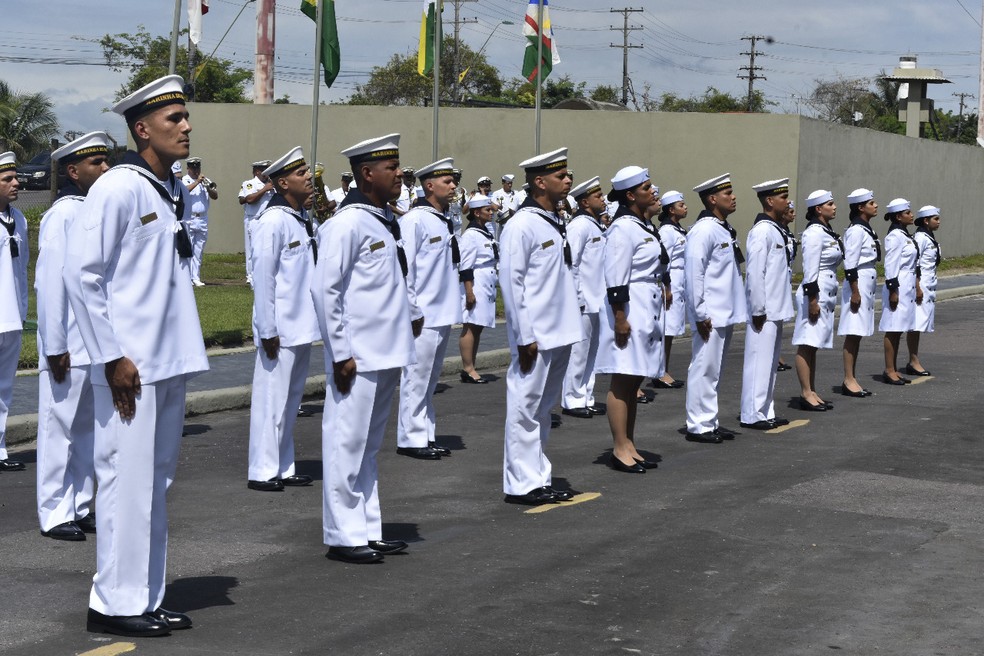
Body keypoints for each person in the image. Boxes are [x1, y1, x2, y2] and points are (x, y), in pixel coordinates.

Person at [64, 74, 209, 637]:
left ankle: (144, 595)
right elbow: (84, 275)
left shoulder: (160, 187)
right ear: (143, 128)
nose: (187, 126)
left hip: (164, 362)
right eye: (175, 119)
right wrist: (110, 356)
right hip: (130, 367)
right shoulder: (119, 187)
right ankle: (113, 601)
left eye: (186, 116)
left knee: (153, 483)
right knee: (125, 480)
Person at [312, 133, 422, 564]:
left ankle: (366, 528)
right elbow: (326, 291)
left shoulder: (382, 219)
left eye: (397, 165)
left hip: (386, 351)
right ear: (366, 174)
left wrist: (411, 311)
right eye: (390, 167)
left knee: (368, 447)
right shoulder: (346, 223)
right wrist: (340, 353)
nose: (398, 173)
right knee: (346, 442)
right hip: (357, 355)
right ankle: (344, 535)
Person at [34, 132, 110, 541]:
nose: (104, 169)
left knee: (86, 430)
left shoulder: (94, 209)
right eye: (95, 164)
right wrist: (54, 344)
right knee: (57, 426)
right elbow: (51, 284)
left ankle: (80, 505)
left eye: (105, 161)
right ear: (72, 171)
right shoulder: (63, 213)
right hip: (69, 343)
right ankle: (54, 510)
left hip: (94, 342)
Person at [499, 147, 581, 505]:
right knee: (525, 407)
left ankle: (537, 476)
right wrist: (524, 335)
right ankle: (521, 482)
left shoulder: (554, 219)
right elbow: (512, 282)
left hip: (560, 329)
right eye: (560, 176)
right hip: (537, 333)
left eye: (567, 175)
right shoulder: (521, 225)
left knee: (543, 410)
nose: (568, 180)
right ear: (539, 182)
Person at [246, 147, 320, 492]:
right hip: (280, 327)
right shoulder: (271, 221)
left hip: (301, 324)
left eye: (307, 171)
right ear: (281, 182)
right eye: (301, 173)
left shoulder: (299, 218)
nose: (309, 177)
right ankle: (262, 469)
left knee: (290, 401)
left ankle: (283, 465)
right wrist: (267, 327)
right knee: (271, 400)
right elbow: (263, 278)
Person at [594, 167, 669, 473]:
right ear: (630, 195)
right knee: (622, 377)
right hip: (628, 308)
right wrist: (620, 317)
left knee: (634, 377)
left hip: (644, 306)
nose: (654, 192)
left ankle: (630, 443)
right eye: (647, 187)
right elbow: (615, 277)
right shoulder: (623, 228)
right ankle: (619, 447)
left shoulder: (642, 225)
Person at [396, 157, 462, 460]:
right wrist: (412, 311)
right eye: (446, 181)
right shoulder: (415, 220)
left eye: (453, 181)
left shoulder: (441, 218)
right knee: (415, 378)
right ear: (429, 185)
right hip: (423, 314)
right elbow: (404, 269)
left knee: (429, 380)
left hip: (442, 310)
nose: (453, 186)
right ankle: (410, 438)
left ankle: (424, 434)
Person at [683, 174, 746, 444]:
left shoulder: (722, 228)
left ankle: (709, 420)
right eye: (727, 193)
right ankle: (698, 424)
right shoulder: (704, 230)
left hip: (724, 311)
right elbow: (694, 273)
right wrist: (699, 313)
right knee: (704, 367)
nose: (733, 197)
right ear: (712, 199)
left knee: (714, 369)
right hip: (710, 313)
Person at [739, 179, 795, 430]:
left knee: (769, 365)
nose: (787, 202)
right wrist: (758, 309)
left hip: (775, 307)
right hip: (765, 309)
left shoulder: (775, 229)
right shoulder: (762, 230)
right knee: (759, 362)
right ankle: (752, 413)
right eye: (783, 197)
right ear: (770, 201)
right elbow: (755, 273)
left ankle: (764, 410)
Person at [791, 190, 844, 411]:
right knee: (807, 342)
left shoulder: (825, 231)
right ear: (818, 209)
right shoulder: (814, 233)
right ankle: (805, 393)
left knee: (813, 345)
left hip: (825, 289)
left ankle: (811, 390)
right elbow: (810, 270)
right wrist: (813, 299)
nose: (834, 207)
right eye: (830, 204)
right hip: (816, 292)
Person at [561, 176, 608, 419]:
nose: (602, 199)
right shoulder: (579, 225)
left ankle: (586, 395)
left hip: (597, 298)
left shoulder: (594, 225)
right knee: (579, 352)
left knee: (592, 351)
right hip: (584, 299)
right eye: (598, 196)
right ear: (585, 201)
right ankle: (572, 398)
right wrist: (576, 298)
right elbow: (572, 264)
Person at [837, 188, 880, 397]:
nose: (876, 205)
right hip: (858, 284)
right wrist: (855, 291)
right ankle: (848, 379)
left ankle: (852, 377)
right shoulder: (856, 231)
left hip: (866, 282)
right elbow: (850, 264)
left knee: (858, 333)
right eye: (871, 203)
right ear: (860, 207)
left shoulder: (865, 229)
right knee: (853, 332)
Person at [0, 151, 27, 473]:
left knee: (4, 387)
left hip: (11, 318)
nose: (15, 183)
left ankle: (1, 447)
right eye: (7, 179)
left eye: (15, 178)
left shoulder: (18, 219)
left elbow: (22, 270)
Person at [879, 198, 922, 385]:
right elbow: (890, 265)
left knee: (899, 329)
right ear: (898, 216)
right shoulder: (895, 236)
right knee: (893, 329)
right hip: (898, 285)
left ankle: (894, 369)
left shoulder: (904, 235)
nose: (911, 215)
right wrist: (892, 290)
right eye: (907, 213)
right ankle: (889, 370)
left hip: (907, 285)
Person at [458, 194, 499, 384]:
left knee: (478, 326)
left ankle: (471, 365)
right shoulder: (471, 235)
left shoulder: (485, 232)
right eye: (487, 210)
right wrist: (469, 292)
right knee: (471, 325)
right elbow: (465, 267)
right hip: (476, 283)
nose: (491, 212)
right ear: (476, 213)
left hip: (487, 282)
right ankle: (468, 368)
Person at [655, 189, 688, 389]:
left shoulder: (677, 229)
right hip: (671, 283)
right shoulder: (667, 232)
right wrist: (666, 286)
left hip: (678, 282)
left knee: (670, 331)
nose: (685, 207)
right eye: (681, 205)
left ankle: (663, 369)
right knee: (666, 330)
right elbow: (663, 261)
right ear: (671, 210)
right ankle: (660, 372)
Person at [906, 205, 941, 376]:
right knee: (916, 325)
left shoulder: (928, 236)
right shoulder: (920, 237)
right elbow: (916, 263)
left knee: (919, 324)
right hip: (921, 284)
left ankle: (914, 359)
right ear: (926, 221)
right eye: (936, 218)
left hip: (929, 284)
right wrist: (917, 287)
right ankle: (913, 361)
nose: (939, 222)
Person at [182, 156, 217, 286]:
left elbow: (215, 196)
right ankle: (187, 277)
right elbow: (183, 191)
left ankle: (196, 277)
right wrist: (197, 182)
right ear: (188, 169)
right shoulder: (183, 180)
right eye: (193, 168)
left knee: (199, 249)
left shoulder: (205, 181)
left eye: (198, 168)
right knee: (188, 248)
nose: (196, 170)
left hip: (202, 218)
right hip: (189, 218)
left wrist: (207, 187)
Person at [239, 160, 274, 286]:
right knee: (252, 249)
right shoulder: (249, 184)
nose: (267, 173)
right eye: (264, 170)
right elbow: (249, 199)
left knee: (267, 249)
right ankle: (251, 276)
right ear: (257, 171)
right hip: (253, 219)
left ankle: (264, 274)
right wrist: (265, 189)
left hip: (268, 219)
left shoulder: (272, 184)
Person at [775, 200, 798, 373]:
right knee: (775, 319)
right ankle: (775, 357)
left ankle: (777, 355)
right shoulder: (775, 231)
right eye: (790, 212)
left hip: (786, 277)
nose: (793, 214)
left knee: (781, 320)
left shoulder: (787, 232)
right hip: (776, 279)